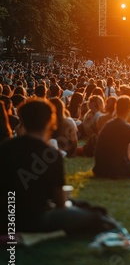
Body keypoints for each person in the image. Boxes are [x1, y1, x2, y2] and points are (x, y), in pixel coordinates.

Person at [0, 99, 111, 235]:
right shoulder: (51, 155)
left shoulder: (5, 148)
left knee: (82, 206)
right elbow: (61, 203)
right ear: (50, 121)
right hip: (34, 220)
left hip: (6, 219)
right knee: (95, 215)